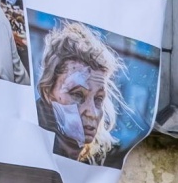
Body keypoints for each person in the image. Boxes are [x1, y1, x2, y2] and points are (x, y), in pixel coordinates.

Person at [34, 20, 123, 167]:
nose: (92, 113)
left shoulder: (96, 163)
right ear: (48, 93)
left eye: (99, 99)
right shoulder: (30, 146)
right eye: (77, 95)